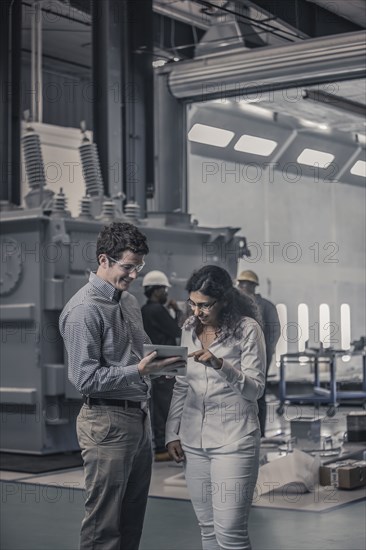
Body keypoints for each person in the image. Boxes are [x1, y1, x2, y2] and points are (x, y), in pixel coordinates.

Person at [59, 222, 185, 550]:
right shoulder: (84, 310)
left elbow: (140, 354)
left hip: (137, 420)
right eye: (127, 267)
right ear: (104, 260)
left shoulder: (127, 302)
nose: (133, 275)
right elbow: (84, 378)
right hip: (106, 424)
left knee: (131, 518)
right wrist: (138, 372)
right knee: (104, 522)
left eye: (138, 267)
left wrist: (163, 367)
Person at [166, 265, 266, 550]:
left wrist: (221, 365)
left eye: (204, 305)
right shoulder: (189, 329)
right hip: (193, 441)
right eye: (192, 303)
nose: (196, 311)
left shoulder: (247, 330)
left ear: (224, 300)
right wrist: (171, 433)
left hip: (234, 440)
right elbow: (182, 384)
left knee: (231, 536)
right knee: (207, 531)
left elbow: (255, 389)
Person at [141, 270, 182, 461]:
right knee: (169, 406)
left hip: (152, 362)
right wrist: (178, 311)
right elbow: (176, 330)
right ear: (157, 291)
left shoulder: (143, 310)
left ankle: (159, 446)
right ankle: (168, 445)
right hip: (167, 363)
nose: (166, 293)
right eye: (164, 289)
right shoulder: (158, 310)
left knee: (157, 406)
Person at [236, 270, 281, 437]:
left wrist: (266, 353)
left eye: (246, 284)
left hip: (260, 355)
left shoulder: (266, 306)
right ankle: (242, 432)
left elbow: (274, 333)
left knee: (258, 392)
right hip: (238, 353)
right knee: (238, 391)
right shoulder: (235, 305)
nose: (242, 286)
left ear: (254, 286)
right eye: (240, 284)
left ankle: (259, 432)